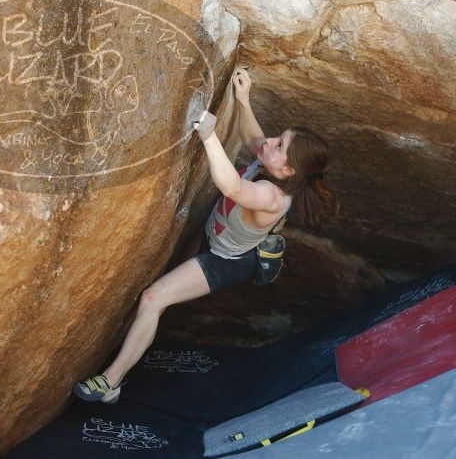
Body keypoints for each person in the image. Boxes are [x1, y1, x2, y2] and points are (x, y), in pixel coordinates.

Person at [72, 67, 340, 404]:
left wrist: (210, 137)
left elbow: (230, 185)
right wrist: (243, 99)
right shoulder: (272, 164)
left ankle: (111, 382)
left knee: (155, 298)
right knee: (164, 286)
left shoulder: (273, 198)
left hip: (224, 261)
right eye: (278, 136)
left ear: (288, 171)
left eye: (279, 145)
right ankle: (268, 243)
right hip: (213, 231)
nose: (270, 142)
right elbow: (252, 137)